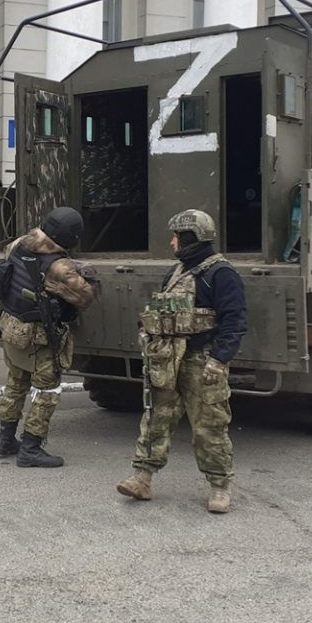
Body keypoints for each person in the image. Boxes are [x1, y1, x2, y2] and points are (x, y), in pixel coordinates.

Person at [116, 209, 247, 513]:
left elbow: (235, 321)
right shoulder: (176, 273)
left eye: (178, 236)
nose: (173, 242)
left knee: (210, 425)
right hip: (166, 360)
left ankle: (219, 487)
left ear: (193, 238)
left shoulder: (221, 274)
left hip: (202, 361)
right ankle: (142, 478)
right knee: (155, 419)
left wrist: (219, 359)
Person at [0, 206, 99, 468]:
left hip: (11, 327)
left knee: (16, 383)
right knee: (47, 390)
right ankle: (31, 447)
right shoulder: (60, 267)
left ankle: (5, 439)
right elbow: (85, 297)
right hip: (38, 336)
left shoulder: (19, 244)